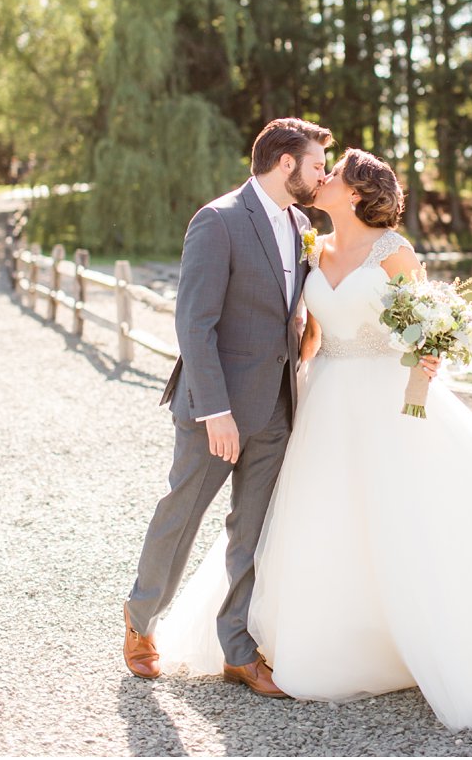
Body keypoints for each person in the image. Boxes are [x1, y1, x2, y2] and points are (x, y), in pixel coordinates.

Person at [155, 149, 472, 731]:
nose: (323, 178)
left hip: (389, 401)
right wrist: (288, 388)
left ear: (356, 193)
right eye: (322, 169)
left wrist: (419, 385)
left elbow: (430, 326)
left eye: (333, 175)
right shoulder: (314, 245)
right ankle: (326, 637)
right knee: (321, 515)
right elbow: (307, 334)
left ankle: (425, 638)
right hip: (324, 396)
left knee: (400, 515)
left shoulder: (394, 251)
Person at [121, 118, 333, 693]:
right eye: (317, 164)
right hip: (216, 408)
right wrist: (215, 411)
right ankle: (141, 620)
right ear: (285, 164)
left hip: (279, 405)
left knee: (253, 531)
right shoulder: (217, 221)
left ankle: (238, 650)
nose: (322, 175)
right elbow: (195, 322)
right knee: (182, 514)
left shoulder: (300, 224)